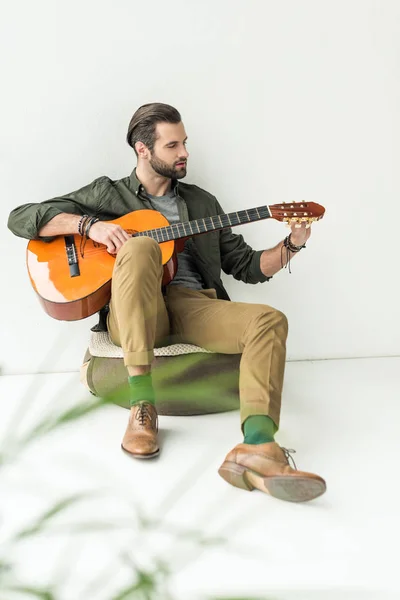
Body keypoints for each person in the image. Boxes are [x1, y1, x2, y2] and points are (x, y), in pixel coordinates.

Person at [8, 102, 326, 503]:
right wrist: (92, 225)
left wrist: (292, 244)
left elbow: (247, 266)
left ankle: (258, 447)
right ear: (144, 150)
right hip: (135, 310)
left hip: (193, 304)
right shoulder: (108, 194)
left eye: (185, 143)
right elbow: (22, 217)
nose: (185, 153)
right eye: (173, 145)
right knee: (140, 247)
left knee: (269, 319)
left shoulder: (203, 202)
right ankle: (143, 406)